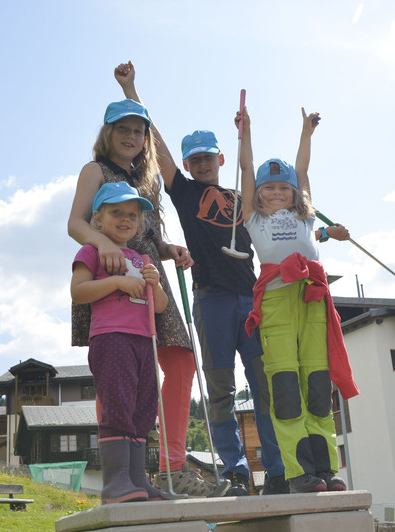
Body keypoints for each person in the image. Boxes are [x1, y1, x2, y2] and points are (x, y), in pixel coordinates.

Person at [115, 61, 284, 495]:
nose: (201, 164)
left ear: (219, 158)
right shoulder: (185, 192)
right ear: (188, 166)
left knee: (264, 386)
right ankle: (235, 468)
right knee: (222, 387)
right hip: (211, 300)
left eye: (208, 157)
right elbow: (158, 146)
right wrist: (132, 89)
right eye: (195, 160)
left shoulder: (242, 197)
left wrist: (246, 130)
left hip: (251, 300)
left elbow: (251, 168)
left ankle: (278, 469)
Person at [67, 92, 203, 495]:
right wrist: (104, 246)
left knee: (177, 359)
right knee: (117, 373)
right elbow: (76, 223)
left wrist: (169, 250)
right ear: (107, 133)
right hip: (109, 266)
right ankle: (119, 477)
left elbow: (150, 235)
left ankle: (167, 466)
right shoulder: (95, 170)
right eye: (122, 129)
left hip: (148, 274)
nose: (130, 136)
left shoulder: (148, 181)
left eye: (137, 131)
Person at [238, 105, 359, 493]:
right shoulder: (253, 219)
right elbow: (244, 170)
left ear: (294, 193)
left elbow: (303, 170)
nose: (276, 192)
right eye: (268, 188)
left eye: (283, 187)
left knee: (318, 387)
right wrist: (246, 133)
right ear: (257, 194)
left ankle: (325, 471)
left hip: (311, 301)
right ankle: (299, 474)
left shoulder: (305, 217)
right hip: (275, 303)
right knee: (287, 389)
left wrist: (306, 134)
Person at [72, 182, 168, 503]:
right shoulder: (93, 251)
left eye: (132, 215)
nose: (125, 219)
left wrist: (154, 284)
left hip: (145, 343)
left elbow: (160, 306)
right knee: (118, 406)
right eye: (116, 212)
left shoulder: (141, 258)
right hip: (111, 338)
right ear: (98, 219)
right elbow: (78, 291)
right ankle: (115, 483)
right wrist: (117, 282)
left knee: (143, 410)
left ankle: (138, 481)